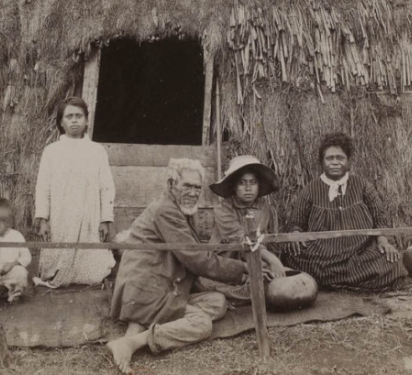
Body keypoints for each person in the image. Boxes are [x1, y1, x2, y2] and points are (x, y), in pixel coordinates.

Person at [107, 158, 264, 375]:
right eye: (187, 186)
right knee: (202, 325)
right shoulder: (166, 210)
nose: (193, 192)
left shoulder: (180, 209)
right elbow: (197, 259)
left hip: (162, 283)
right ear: (172, 185)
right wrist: (242, 270)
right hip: (148, 288)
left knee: (218, 302)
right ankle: (135, 342)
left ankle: (139, 328)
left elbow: (194, 255)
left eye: (197, 187)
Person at [283, 133, 407, 291]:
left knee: (392, 261)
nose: (335, 162)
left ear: (348, 161)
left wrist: (383, 240)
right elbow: (296, 223)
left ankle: (330, 283)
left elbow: (380, 219)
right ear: (322, 162)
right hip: (323, 254)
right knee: (291, 255)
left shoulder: (362, 186)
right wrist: (295, 233)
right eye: (329, 158)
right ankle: (353, 282)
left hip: (360, 251)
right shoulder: (310, 190)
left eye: (340, 158)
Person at [33, 97, 116, 286]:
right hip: (61, 213)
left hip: (89, 214)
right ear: (61, 122)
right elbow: (43, 186)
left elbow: (106, 186)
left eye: (79, 116)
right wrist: (43, 218)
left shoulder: (97, 151)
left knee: (93, 274)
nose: (74, 120)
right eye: (69, 116)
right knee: (55, 264)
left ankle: (88, 275)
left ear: (86, 120)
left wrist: (105, 219)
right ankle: (58, 273)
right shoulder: (52, 151)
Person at [200, 155, 287, 302]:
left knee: (274, 282)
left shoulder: (265, 208)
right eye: (242, 183)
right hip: (226, 262)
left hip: (254, 258)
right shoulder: (223, 209)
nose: (248, 188)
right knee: (210, 284)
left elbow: (266, 240)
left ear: (259, 185)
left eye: (253, 182)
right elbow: (242, 237)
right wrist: (270, 259)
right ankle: (228, 290)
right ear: (234, 186)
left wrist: (271, 262)